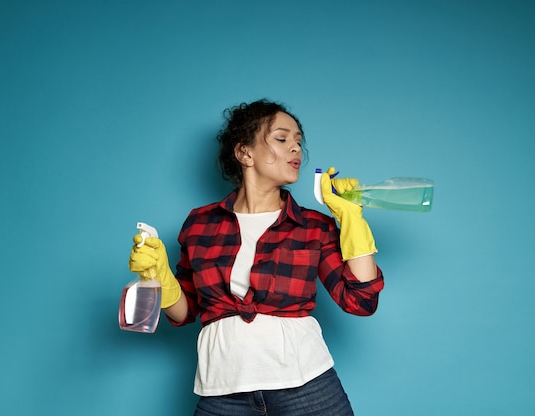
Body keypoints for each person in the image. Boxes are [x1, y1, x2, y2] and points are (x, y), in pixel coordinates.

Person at [129, 99, 384, 416]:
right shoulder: (199, 224)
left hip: (307, 387)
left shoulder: (313, 226)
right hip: (222, 392)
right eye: (281, 138)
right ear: (244, 153)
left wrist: (352, 220)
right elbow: (183, 313)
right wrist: (161, 276)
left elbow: (360, 302)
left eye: (298, 142)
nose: (295, 150)